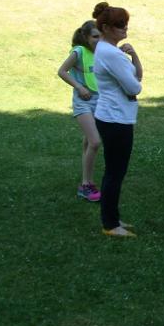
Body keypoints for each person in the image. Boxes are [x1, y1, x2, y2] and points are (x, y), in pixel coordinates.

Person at [92, 2, 143, 237]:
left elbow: (134, 79)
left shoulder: (106, 50)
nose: (125, 28)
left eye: (126, 23)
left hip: (112, 116)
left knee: (114, 171)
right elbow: (134, 86)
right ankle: (111, 224)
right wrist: (132, 84)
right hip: (116, 119)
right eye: (120, 25)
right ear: (106, 28)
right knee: (115, 172)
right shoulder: (112, 54)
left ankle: (112, 218)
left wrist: (133, 59)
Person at [57, 20, 102, 202]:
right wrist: (79, 87)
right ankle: (85, 185)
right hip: (83, 102)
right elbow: (62, 71)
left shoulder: (101, 52)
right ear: (85, 37)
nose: (99, 40)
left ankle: (87, 180)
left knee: (88, 142)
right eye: (95, 36)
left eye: (101, 36)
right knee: (95, 142)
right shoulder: (79, 51)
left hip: (100, 101)